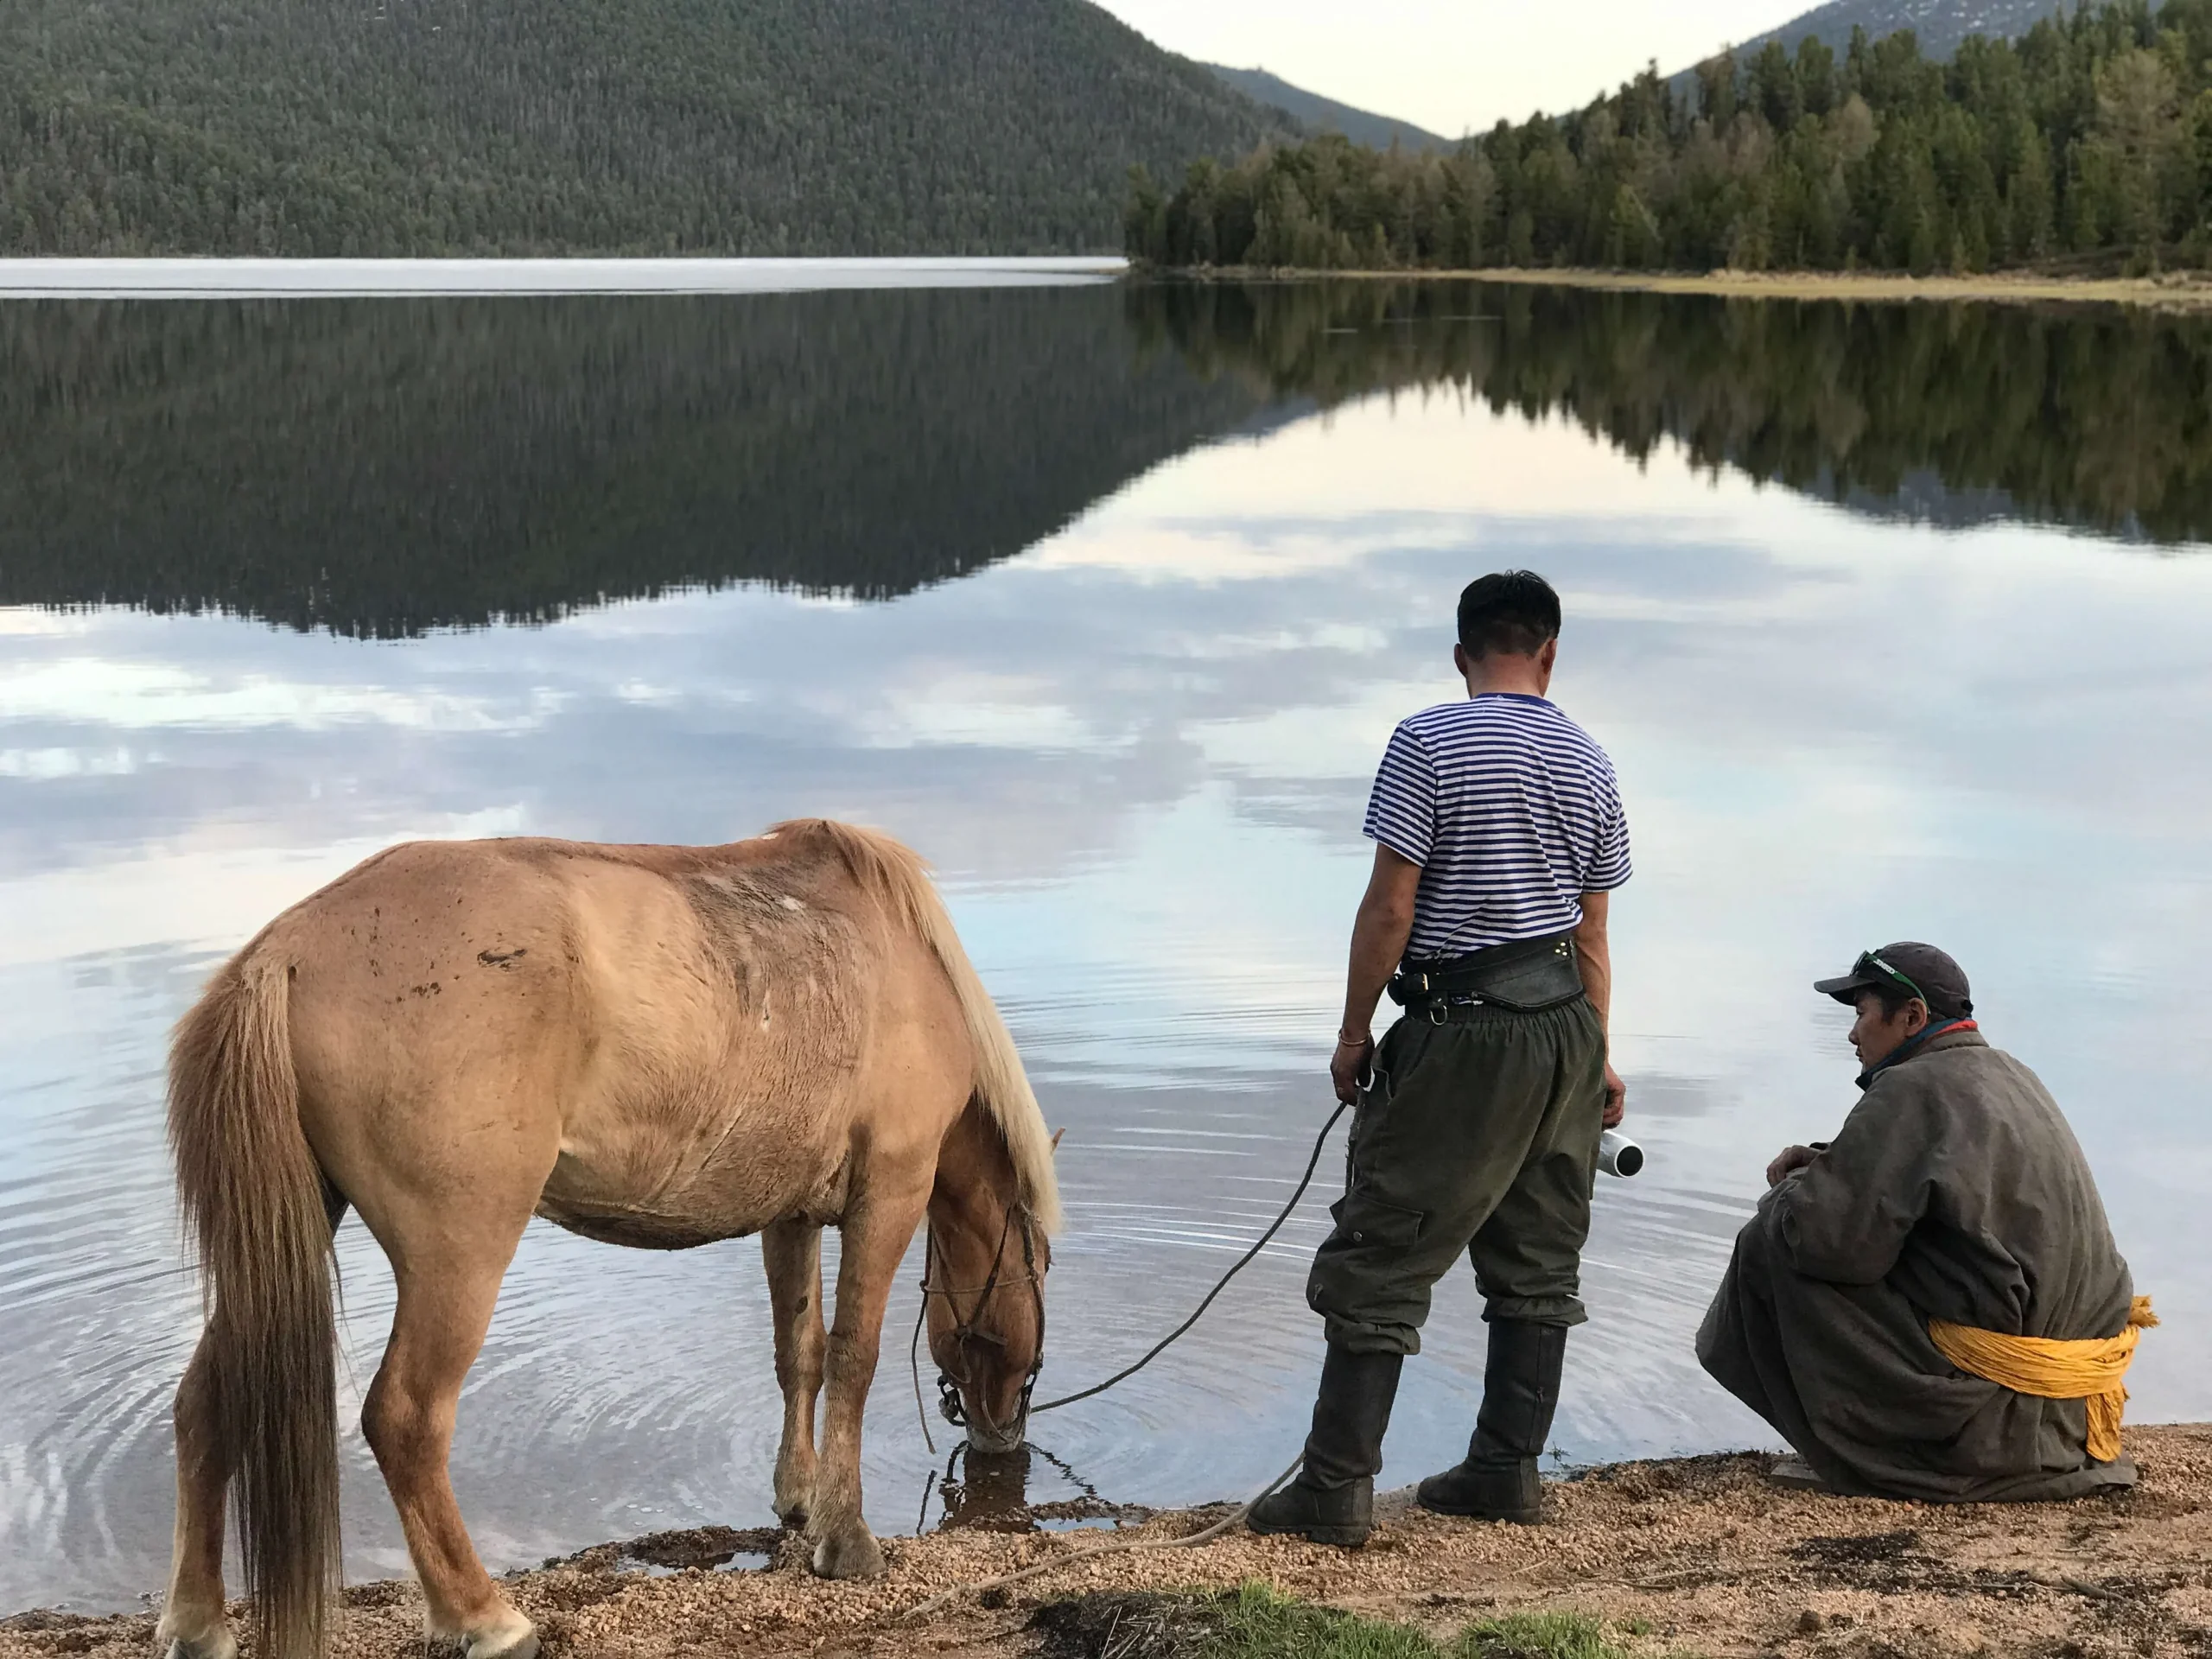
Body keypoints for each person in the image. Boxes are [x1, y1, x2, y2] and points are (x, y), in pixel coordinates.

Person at [1249, 569, 1631, 1547]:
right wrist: (1600, 1059)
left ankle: (1335, 1491)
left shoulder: (1426, 740)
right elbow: (1590, 928)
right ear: (1549, 652)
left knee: (1384, 1247)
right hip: (1563, 1030)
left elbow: (1390, 906)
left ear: (1462, 654)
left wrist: (1350, 1032)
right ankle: (1506, 1470)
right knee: (1539, 1257)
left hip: (1463, 1032)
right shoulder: (1590, 758)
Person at [1697, 944, 2150, 1502]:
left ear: (1911, 1016)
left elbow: (1827, 1242)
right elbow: (1942, 1182)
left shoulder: (1912, 1085)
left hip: (1997, 1426)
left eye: (1862, 1012)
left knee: (1773, 1239)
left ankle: (1872, 1455)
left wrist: (1793, 1190)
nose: (1852, 1034)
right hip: (2071, 1416)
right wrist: (1827, 1165)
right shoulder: (2011, 1073)